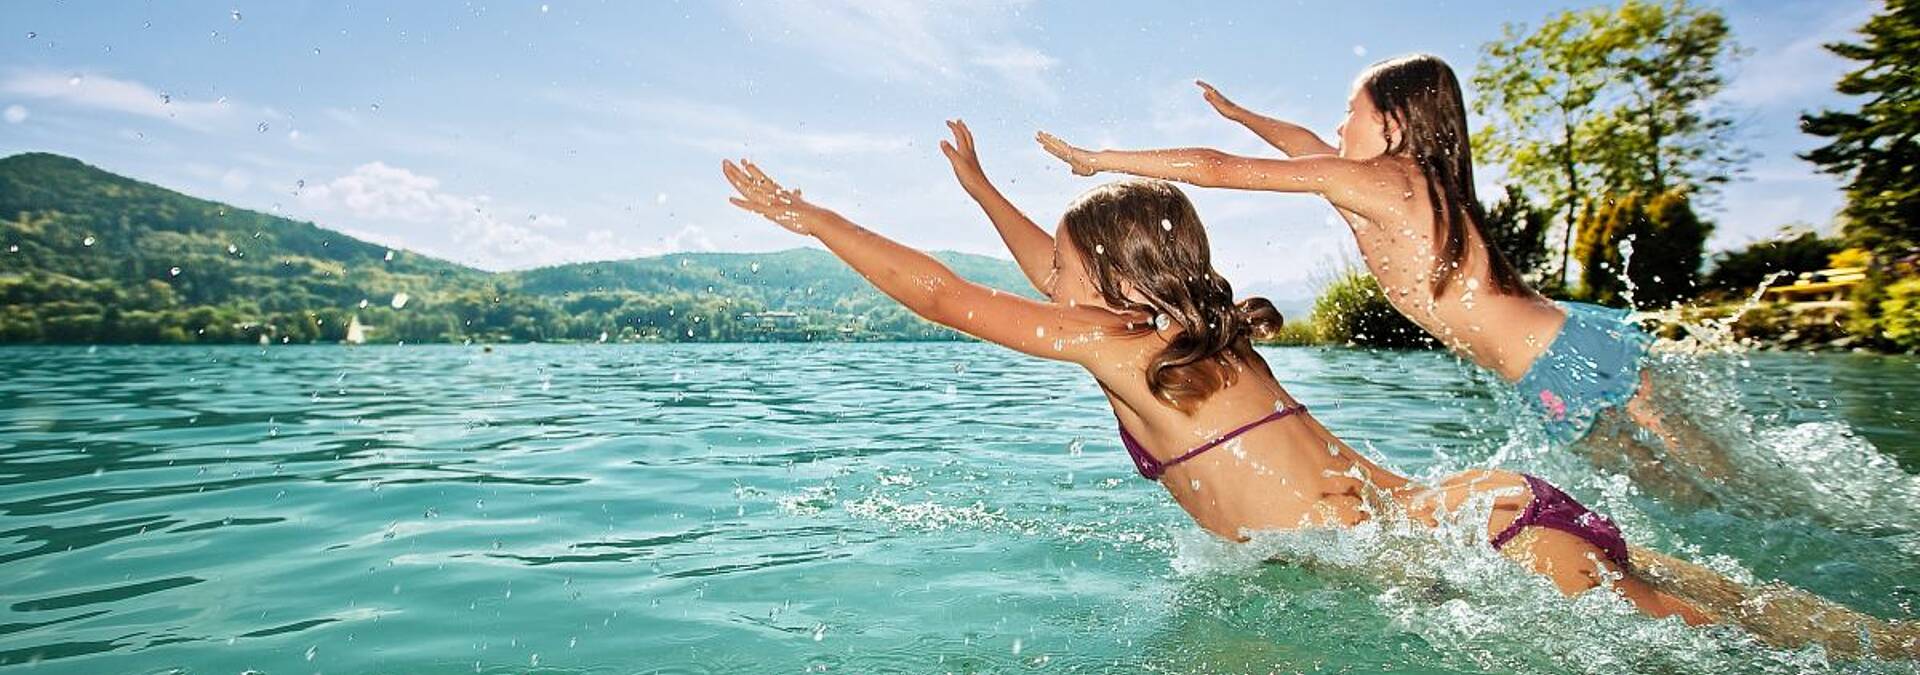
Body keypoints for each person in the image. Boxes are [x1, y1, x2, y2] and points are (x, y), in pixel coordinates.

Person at [719, 125, 1918, 658]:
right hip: (1489, 515)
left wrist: (802, 213)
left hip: (1478, 548)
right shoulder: (1205, 336)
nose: (1050, 282)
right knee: (1770, 620)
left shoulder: (1126, 353)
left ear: (1105, 285)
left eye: (1066, 270)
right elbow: (1036, 265)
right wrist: (983, 183)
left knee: (1727, 647)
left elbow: (938, 295)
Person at [1033, 54, 1735, 502]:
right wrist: (1245, 115)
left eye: (1352, 114)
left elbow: (1221, 170)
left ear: (1393, 125)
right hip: (1554, 357)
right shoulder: (1399, 185)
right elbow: (1303, 149)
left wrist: (1101, 160)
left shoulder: (1388, 181)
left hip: (1563, 359)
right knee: (1703, 485)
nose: (1337, 129)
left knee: (1703, 490)